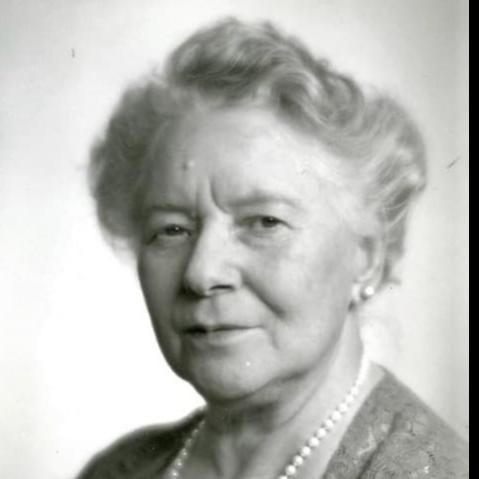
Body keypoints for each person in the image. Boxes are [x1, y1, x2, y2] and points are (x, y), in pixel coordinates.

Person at [77, 18, 468, 479]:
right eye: (172, 229)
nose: (201, 273)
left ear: (367, 259)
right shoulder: (120, 470)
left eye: (264, 222)